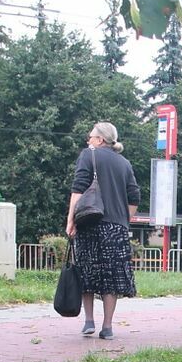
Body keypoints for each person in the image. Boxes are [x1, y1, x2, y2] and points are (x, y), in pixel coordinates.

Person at [65, 121, 140, 339]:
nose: (88, 140)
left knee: (87, 272)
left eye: (90, 137)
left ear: (100, 140)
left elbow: (78, 188)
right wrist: (123, 218)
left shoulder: (89, 154)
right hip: (116, 228)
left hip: (89, 222)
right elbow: (134, 196)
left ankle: (89, 321)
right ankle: (107, 327)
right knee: (112, 277)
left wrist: (71, 220)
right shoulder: (124, 163)